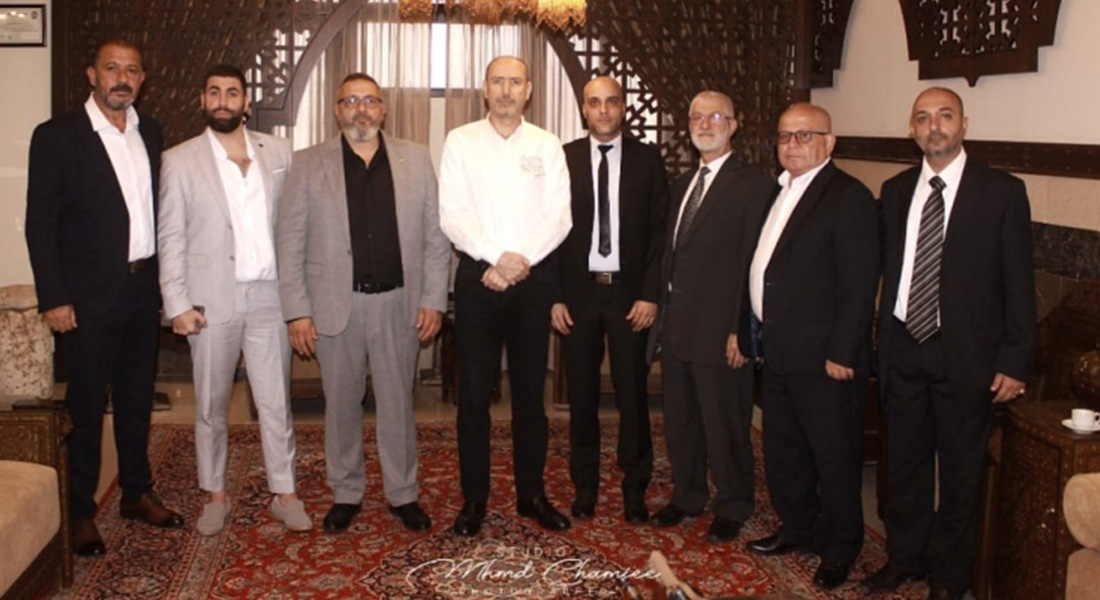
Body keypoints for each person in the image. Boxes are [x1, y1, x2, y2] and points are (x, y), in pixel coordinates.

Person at [863, 87, 1035, 600]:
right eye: (922, 118)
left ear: (964, 124)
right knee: (904, 465)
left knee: (961, 474)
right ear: (911, 129)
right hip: (903, 347)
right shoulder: (896, 190)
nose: (933, 126)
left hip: (966, 356)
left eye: (944, 116)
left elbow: (1019, 283)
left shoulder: (1001, 192)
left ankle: (950, 579)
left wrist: (1016, 359)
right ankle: (904, 558)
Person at [25, 39, 183, 556]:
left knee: (137, 400)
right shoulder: (57, 136)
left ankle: (136, 492)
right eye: (112, 68)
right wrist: (54, 297)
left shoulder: (149, 131)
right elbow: (40, 224)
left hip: (141, 290)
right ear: (91, 75)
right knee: (87, 406)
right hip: (86, 298)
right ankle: (79, 512)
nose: (122, 78)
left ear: (142, 79)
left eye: (131, 70)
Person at [276, 73, 451, 533]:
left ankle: (403, 492)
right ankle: (346, 491)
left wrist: (434, 299)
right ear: (337, 110)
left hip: (400, 304)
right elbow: (289, 243)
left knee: (397, 404)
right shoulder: (307, 164)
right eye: (350, 101)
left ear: (383, 109)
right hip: (335, 306)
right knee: (341, 404)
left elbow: (436, 238)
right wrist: (297, 310)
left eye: (370, 100)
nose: (361, 109)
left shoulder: (416, 159)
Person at [158, 64, 311, 536]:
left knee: (275, 401)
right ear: (202, 101)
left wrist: (299, 297)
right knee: (211, 405)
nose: (222, 100)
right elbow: (171, 235)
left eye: (232, 93)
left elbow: (294, 227)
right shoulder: (179, 160)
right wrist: (176, 303)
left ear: (246, 102)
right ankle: (215, 495)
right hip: (210, 301)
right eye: (214, 92)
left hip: (269, 297)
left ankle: (285, 494)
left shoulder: (279, 153)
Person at [742, 103, 879, 589]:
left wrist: (843, 351)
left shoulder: (849, 196)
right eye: (785, 136)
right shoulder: (778, 191)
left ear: (829, 142)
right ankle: (798, 527)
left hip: (825, 359)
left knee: (833, 455)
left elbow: (860, 284)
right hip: (779, 350)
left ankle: (840, 547)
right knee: (786, 450)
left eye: (804, 135)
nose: (793, 144)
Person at [439, 55, 572, 536]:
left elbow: (560, 217)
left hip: (532, 282)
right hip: (478, 281)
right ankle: (474, 498)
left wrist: (518, 263)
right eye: (498, 81)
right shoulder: (460, 141)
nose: (506, 90)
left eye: (515, 82)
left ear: (529, 90)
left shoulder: (547, 144)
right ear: (484, 87)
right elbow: (452, 214)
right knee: (474, 397)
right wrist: (495, 258)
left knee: (530, 397)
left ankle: (531, 494)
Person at [648, 91, 773, 543]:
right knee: (680, 422)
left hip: (723, 332)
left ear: (734, 125)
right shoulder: (682, 184)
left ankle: (734, 503)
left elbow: (757, 264)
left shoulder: (756, 186)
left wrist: (743, 328)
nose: (705, 124)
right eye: (697, 117)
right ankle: (687, 497)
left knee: (725, 426)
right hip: (678, 327)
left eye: (716, 116)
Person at [551, 76, 669, 524]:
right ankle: (585, 486)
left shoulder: (647, 159)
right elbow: (549, 231)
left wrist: (650, 294)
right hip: (577, 294)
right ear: (584, 109)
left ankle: (635, 487)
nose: (603, 110)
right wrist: (554, 297)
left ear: (623, 108)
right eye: (595, 102)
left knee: (632, 395)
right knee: (581, 395)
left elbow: (660, 233)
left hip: (629, 295)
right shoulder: (563, 158)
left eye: (611, 102)